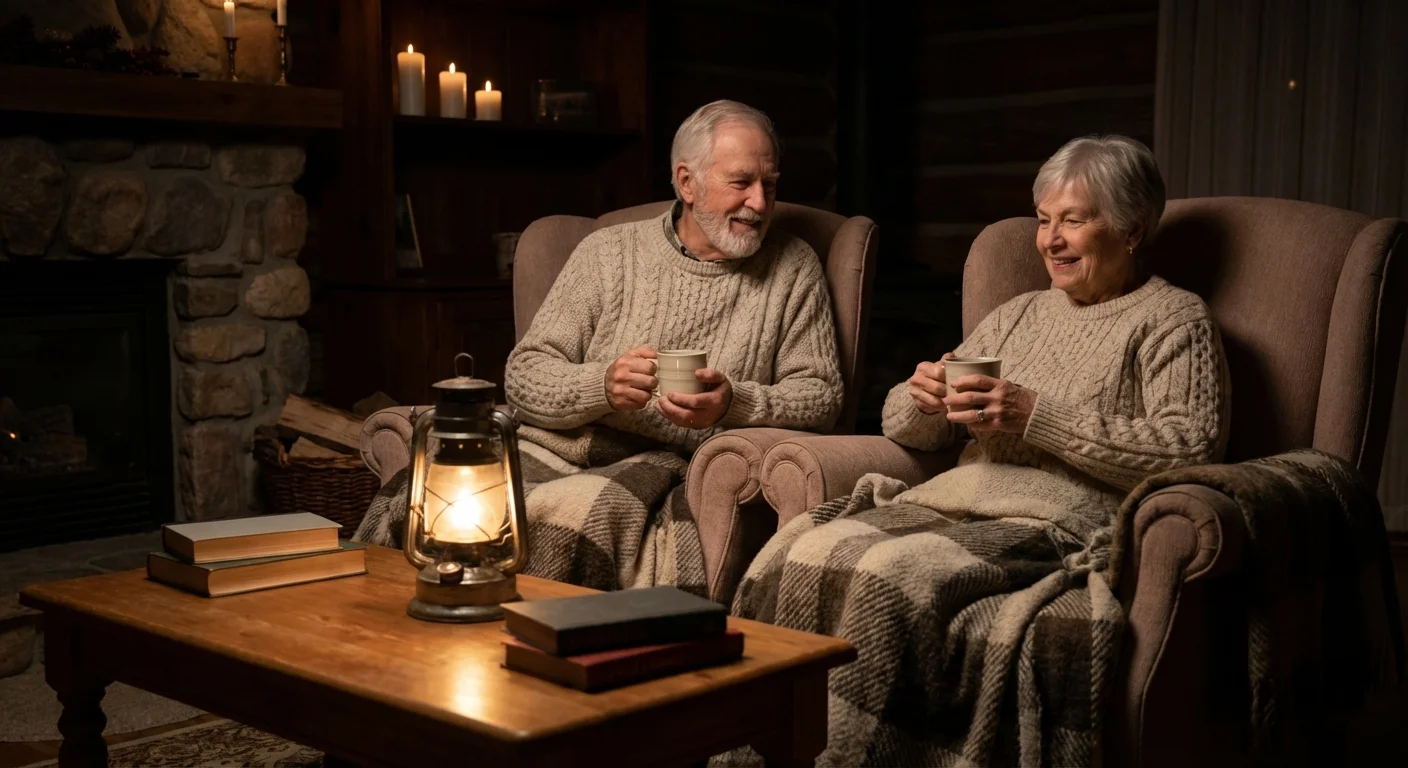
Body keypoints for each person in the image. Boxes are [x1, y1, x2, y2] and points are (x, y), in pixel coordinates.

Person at [725, 134, 1231, 767]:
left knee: (889, 575)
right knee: (797, 547)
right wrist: (923, 396)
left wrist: (1035, 415)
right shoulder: (1018, 314)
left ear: (1132, 230)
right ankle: (760, 752)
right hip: (955, 499)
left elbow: (1190, 446)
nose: (1049, 240)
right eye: (1045, 220)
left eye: (1073, 221)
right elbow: (907, 429)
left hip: (1057, 521)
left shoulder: (1174, 318)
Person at [356, 100, 842, 595]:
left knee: (572, 515)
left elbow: (822, 395)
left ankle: (527, 650)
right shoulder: (609, 253)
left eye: (771, 184)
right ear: (687, 182)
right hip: (559, 445)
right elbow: (525, 374)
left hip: (667, 466)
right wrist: (601, 386)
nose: (760, 204)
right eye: (741, 183)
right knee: (426, 496)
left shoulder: (793, 267)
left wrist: (733, 404)